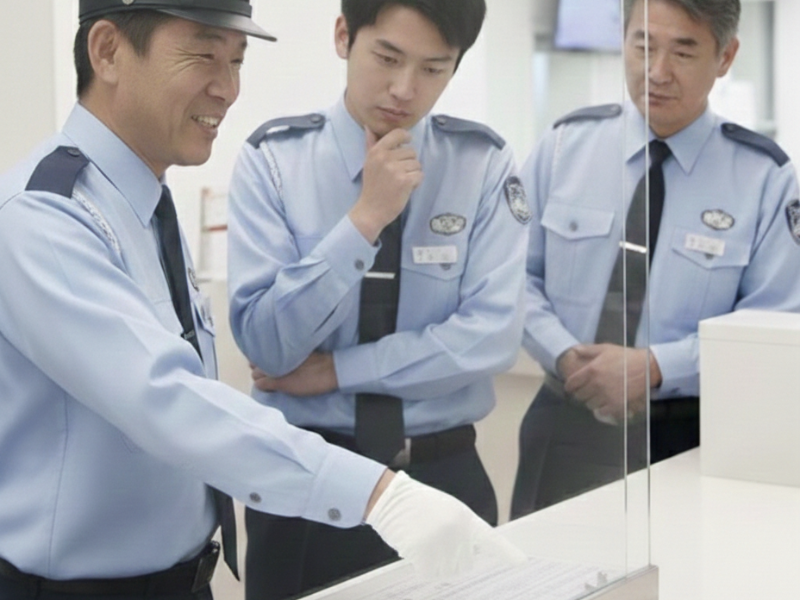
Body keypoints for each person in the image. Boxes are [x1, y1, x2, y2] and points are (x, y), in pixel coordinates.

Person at [0, 2, 525, 599]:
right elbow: (167, 399)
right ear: (108, 51)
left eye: (237, 61)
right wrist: (380, 494)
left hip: (183, 577)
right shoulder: (46, 218)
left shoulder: (141, 204)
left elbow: (493, 332)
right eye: (205, 55)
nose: (228, 89)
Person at [226, 0, 529, 597]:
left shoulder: (482, 163)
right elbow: (267, 345)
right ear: (344, 35)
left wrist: (338, 371)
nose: (404, 89)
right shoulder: (275, 160)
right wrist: (365, 218)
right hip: (308, 482)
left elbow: (492, 335)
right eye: (387, 58)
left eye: (433, 69)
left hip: (443, 475)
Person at [511, 0, 800, 518]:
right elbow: (513, 276)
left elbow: (772, 328)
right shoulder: (564, 147)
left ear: (725, 56)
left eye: (683, 53)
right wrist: (566, 355)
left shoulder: (767, 180)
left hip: (690, 434)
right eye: (643, 46)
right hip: (564, 418)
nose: (658, 72)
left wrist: (656, 367)